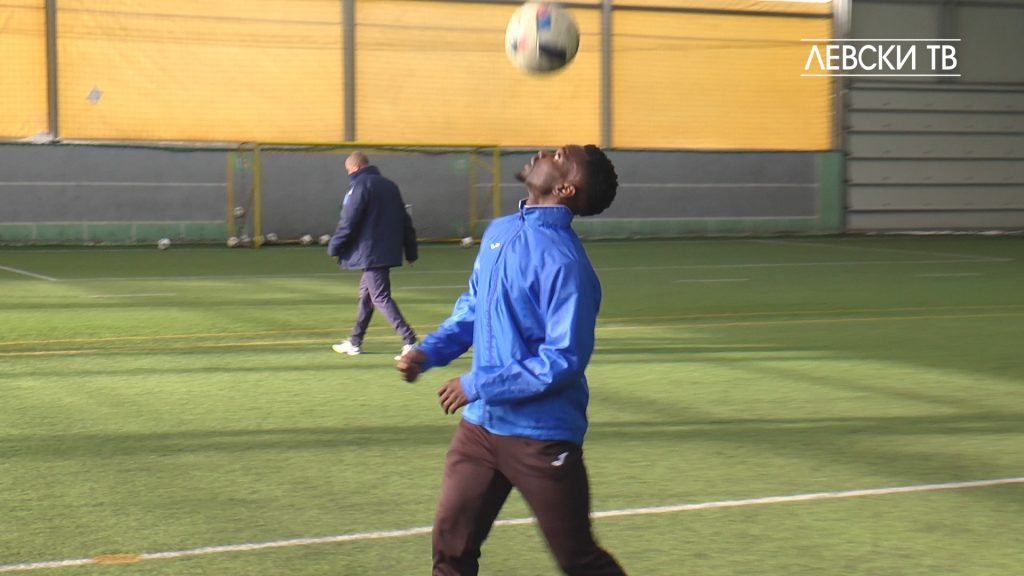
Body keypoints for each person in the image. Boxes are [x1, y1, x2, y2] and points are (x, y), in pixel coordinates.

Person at [397, 145, 626, 575]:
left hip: (540, 436)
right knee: (450, 550)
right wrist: (428, 352)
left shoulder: (566, 263)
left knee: (578, 559)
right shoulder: (501, 230)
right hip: (480, 430)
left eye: (559, 157)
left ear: (566, 188)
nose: (543, 152)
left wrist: (478, 384)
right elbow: (474, 307)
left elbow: (562, 360)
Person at [328, 151, 418, 360]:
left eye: (348, 170)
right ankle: (355, 341)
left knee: (380, 297)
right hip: (385, 250)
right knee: (367, 297)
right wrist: (411, 250)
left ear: (355, 167)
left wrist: (335, 246)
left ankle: (410, 340)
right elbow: (405, 220)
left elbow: (349, 220)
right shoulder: (390, 186)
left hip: (371, 252)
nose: (348, 174)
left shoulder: (360, 186)